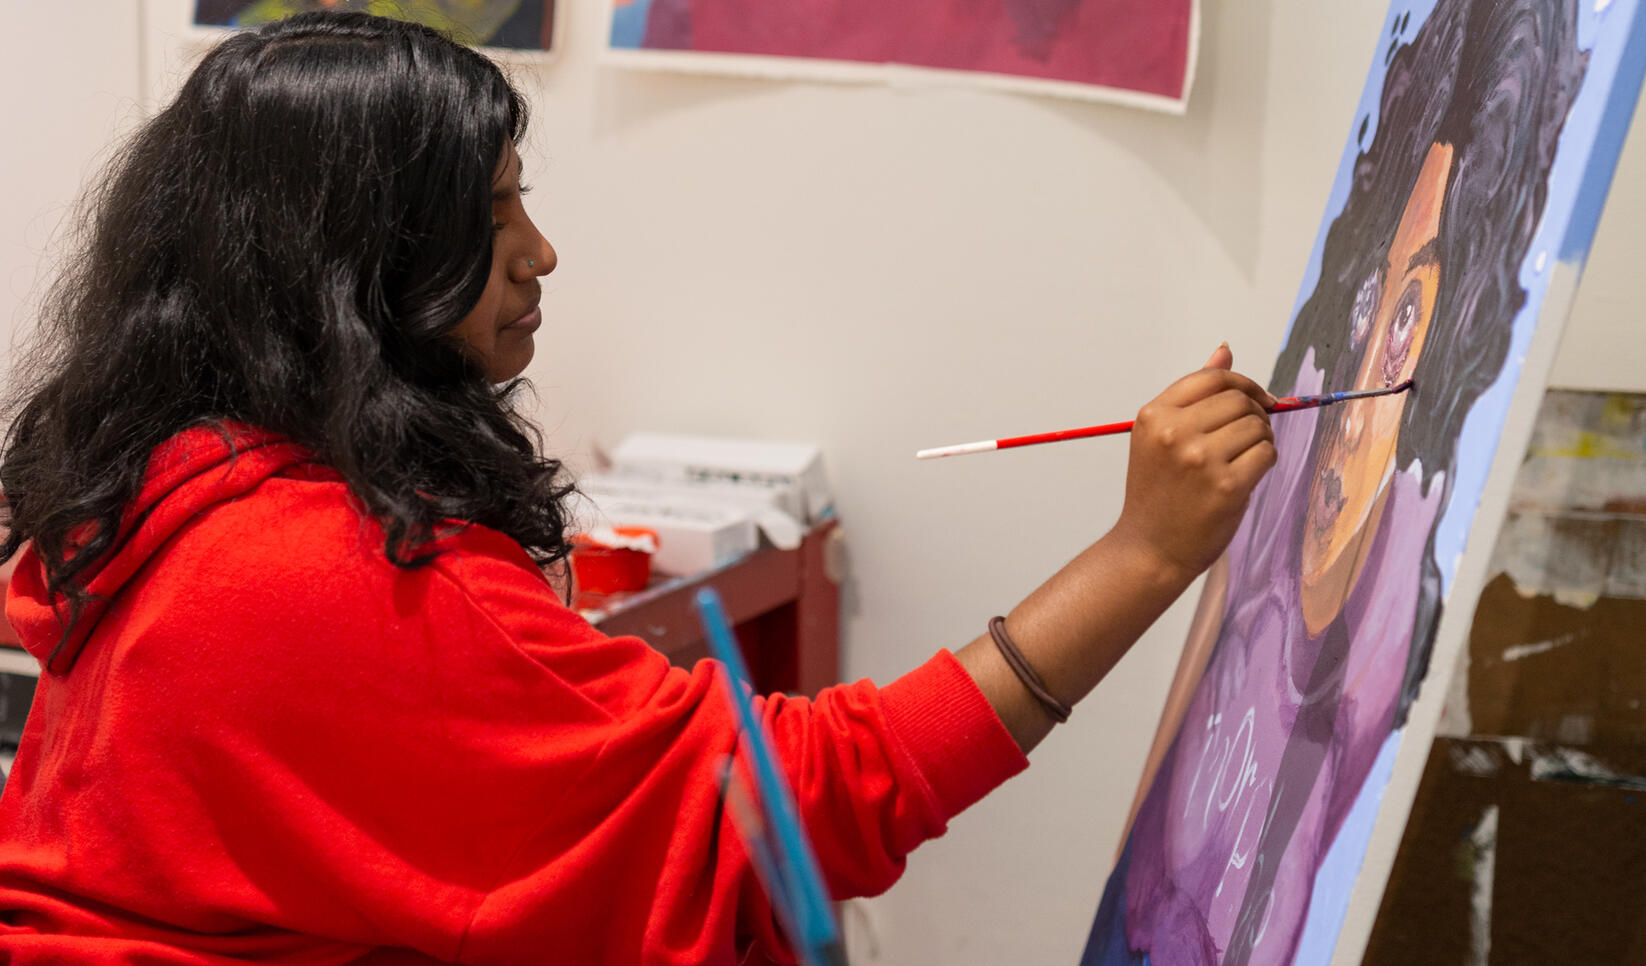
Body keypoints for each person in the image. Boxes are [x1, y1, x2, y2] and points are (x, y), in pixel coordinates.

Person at [0, 12, 1275, 964]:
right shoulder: (328, 571)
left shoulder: (181, 473)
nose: (541, 253)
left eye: (522, 200)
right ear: (360, 270)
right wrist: (1143, 555)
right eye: (490, 217)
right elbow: (805, 802)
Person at [1085, 1, 1589, 964]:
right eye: (1370, 301)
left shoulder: (1401, 605)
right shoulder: (1272, 483)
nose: (1361, 395)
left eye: (1409, 316)